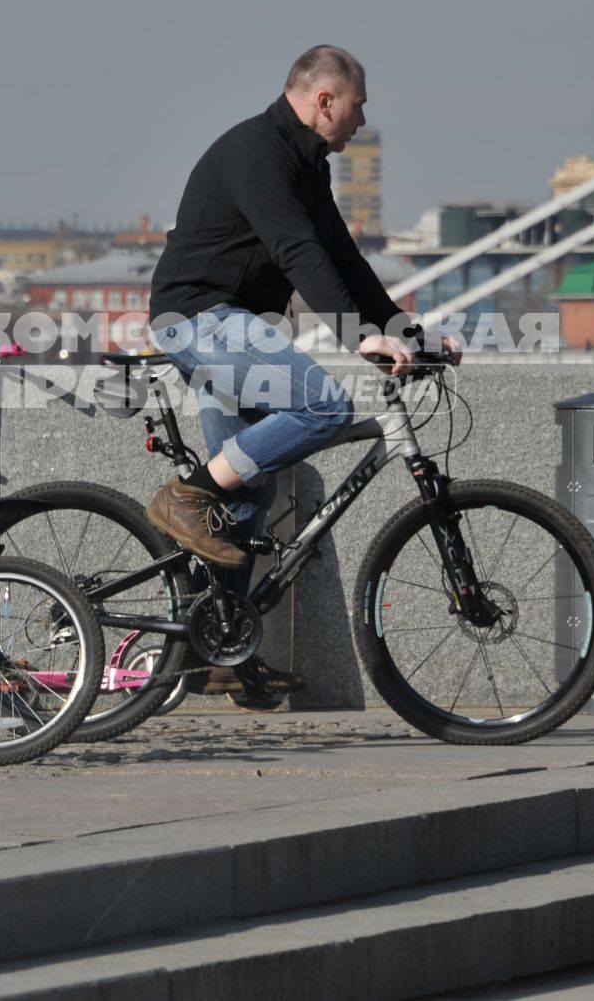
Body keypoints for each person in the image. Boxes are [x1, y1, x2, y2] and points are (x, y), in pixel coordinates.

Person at [146, 45, 456, 707]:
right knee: (322, 405)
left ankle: (220, 647)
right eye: (358, 104)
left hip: (239, 326)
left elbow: (340, 254)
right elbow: (296, 249)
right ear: (324, 100)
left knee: (248, 497)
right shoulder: (258, 151)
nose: (361, 118)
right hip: (202, 320)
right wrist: (358, 334)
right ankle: (184, 495)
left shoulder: (306, 163)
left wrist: (404, 331)